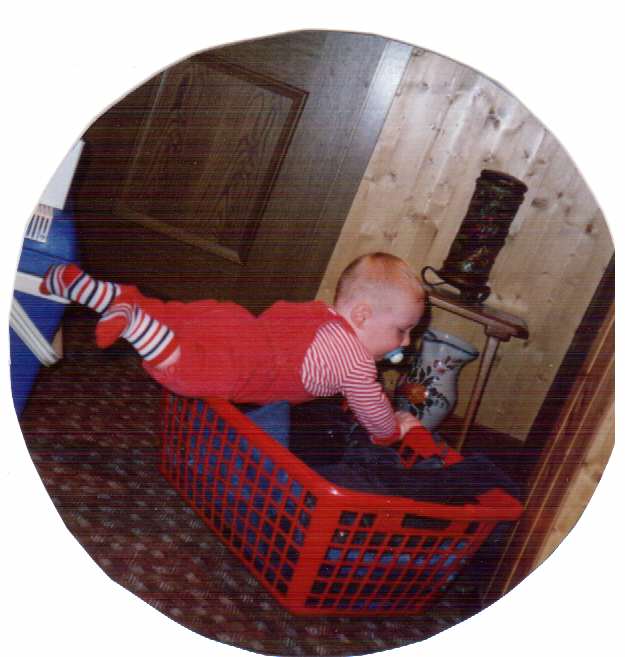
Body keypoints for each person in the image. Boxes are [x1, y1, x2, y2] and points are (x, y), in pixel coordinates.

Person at [39, 252, 425, 444]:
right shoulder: (356, 362)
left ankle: (93, 290)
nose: (406, 342)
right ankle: (138, 328)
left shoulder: (320, 313)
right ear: (362, 315)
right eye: (402, 330)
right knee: (188, 373)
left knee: (174, 317)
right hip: (249, 365)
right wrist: (395, 429)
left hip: (235, 322)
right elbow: (372, 411)